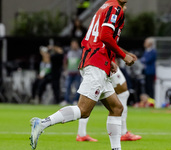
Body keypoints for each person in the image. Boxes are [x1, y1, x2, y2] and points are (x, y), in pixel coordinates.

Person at [30, 0, 136, 150]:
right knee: (84, 110)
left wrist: (111, 59)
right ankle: (42, 123)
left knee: (116, 107)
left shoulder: (105, 7)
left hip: (97, 61)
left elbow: (96, 37)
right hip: (96, 63)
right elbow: (106, 36)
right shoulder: (115, 8)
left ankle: (116, 148)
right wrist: (122, 56)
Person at [76, 65, 142, 142]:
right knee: (122, 93)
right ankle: (123, 132)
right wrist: (123, 55)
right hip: (101, 63)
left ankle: (81, 133)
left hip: (93, 64)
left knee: (91, 98)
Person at [62, 39, 82, 105]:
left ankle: (75, 100)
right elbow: (65, 61)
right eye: (72, 44)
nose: (73, 45)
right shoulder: (69, 52)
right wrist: (65, 70)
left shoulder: (81, 52)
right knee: (67, 86)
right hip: (70, 73)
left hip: (77, 73)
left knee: (77, 87)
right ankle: (66, 100)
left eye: (75, 44)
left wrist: (81, 70)